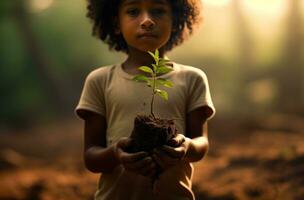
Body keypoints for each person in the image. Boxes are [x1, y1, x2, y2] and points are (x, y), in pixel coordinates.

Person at [75, 0, 216, 199]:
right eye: (133, 11)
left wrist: (185, 146)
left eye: (158, 11)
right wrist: (116, 153)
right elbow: (91, 157)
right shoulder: (99, 81)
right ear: (116, 23)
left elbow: (201, 143)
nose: (147, 21)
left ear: (175, 20)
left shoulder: (192, 79)